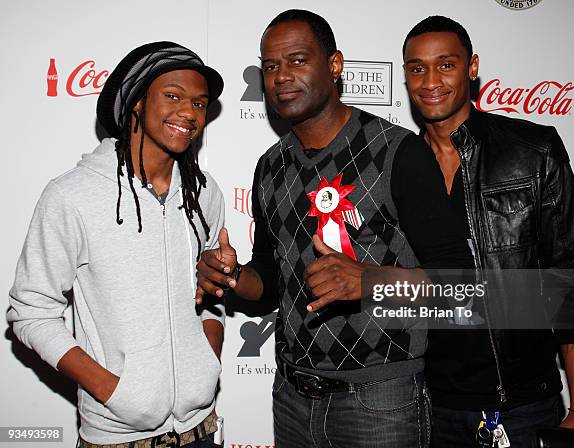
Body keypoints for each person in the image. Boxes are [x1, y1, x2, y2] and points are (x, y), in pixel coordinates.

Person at [197, 9, 471, 448]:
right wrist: (232, 278)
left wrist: (369, 281)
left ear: (335, 65)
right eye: (270, 66)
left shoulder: (399, 152)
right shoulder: (270, 166)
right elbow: (269, 282)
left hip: (381, 402)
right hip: (291, 397)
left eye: (298, 60)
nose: (282, 76)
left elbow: (461, 284)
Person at [8, 42, 226, 448]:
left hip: (202, 429)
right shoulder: (72, 195)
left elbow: (210, 290)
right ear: (136, 103)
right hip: (118, 438)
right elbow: (30, 312)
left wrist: (208, 360)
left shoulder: (204, 192)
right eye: (173, 96)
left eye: (199, 103)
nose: (188, 113)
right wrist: (116, 392)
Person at [402, 15, 574, 448]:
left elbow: (570, 283)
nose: (430, 80)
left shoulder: (534, 150)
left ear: (472, 68)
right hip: (427, 406)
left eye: (446, 64)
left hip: (523, 406)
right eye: (417, 68)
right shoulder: (397, 165)